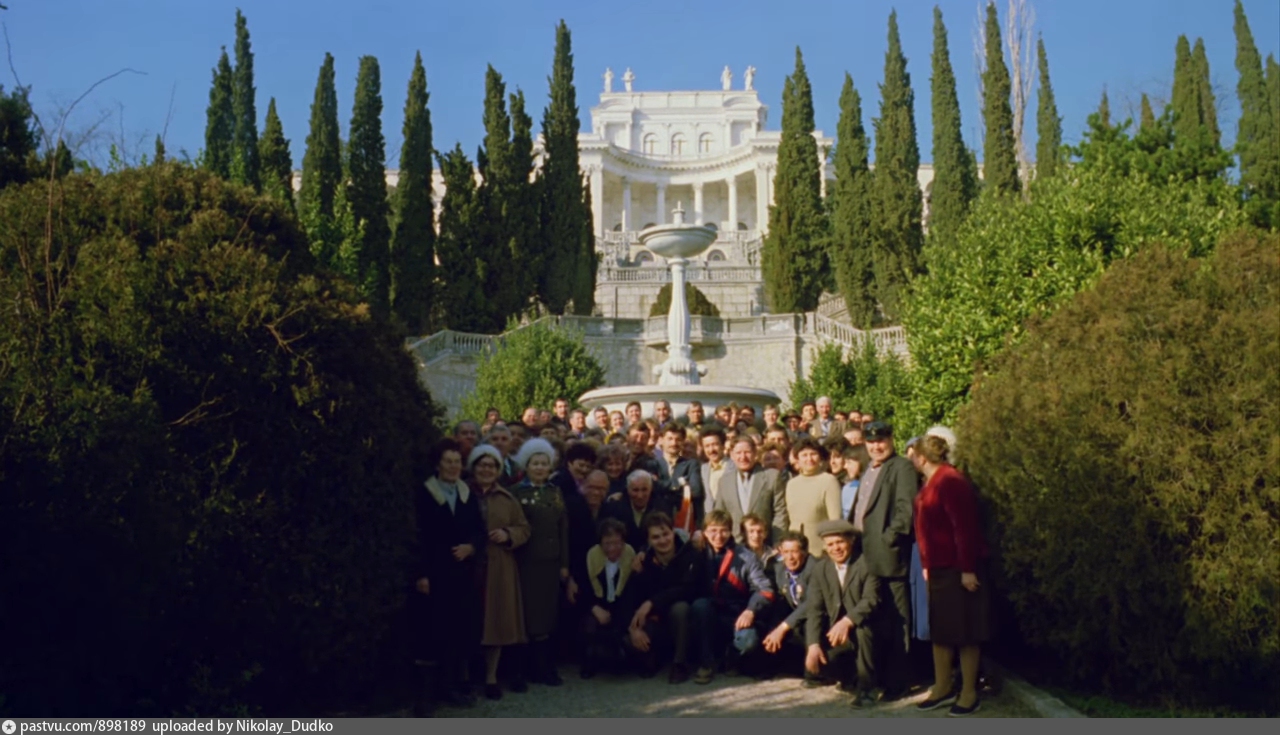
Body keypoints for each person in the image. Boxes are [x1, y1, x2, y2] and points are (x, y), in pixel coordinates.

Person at [912, 435, 991, 717]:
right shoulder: (931, 483)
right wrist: (925, 563)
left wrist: (967, 569)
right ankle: (943, 685)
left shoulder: (951, 481)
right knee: (942, 630)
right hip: (939, 568)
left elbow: (964, 527)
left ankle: (969, 692)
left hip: (958, 568)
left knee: (967, 630)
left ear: (921, 457)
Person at [412, 439, 487, 713]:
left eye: (457, 461)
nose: (454, 466)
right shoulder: (425, 493)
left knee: (457, 632)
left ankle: (450, 687)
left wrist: (472, 547)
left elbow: (480, 531)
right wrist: (421, 573)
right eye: (448, 461)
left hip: (462, 575)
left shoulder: (467, 494)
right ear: (437, 464)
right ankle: (425, 696)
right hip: (434, 574)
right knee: (431, 632)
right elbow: (417, 536)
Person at [850, 421, 918, 701]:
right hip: (865, 555)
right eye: (871, 442)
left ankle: (898, 682)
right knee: (875, 620)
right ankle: (873, 678)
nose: (876, 446)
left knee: (897, 620)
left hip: (890, 556)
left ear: (891, 439)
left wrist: (889, 538)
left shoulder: (901, 467)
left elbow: (906, 509)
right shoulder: (869, 468)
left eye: (882, 441)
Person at [468, 445, 531, 700]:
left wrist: (508, 535)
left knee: (495, 621)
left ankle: (491, 677)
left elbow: (524, 528)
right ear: (474, 467)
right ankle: (462, 676)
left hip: (498, 565)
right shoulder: (462, 493)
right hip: (467, 564)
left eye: (492, 466)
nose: (487, 469)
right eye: (482, 465)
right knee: (467, 620)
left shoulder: (507, 497)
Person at [510, 438, 573, 687]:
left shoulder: (555, 492)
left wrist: (564, 563)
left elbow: (563, 528)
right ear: (527, 465)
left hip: (551, 563)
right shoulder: (516, 493)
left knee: (547, 616)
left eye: (543, 463)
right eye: (535, 463)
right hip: (526, 563)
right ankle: (523, 669)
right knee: (525, 615)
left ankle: (545, 667)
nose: (539, 467)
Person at [689, 510, 776, 683]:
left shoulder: (746, 556)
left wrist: (751, 610)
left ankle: (732, 657)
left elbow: (765, 589)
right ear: (704, 532)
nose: (718, 536)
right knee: (700, 606)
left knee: (748, 641)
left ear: (731, 532)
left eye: (724, 530)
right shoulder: (696, 552)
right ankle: (706, 663)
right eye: (713, 530)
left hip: (737, 614)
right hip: (708, 614)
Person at [805, 520, 880, 708]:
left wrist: (847, 621)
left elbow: (871, 600)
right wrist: (813, 645)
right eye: (830, 544)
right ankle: (849, 677)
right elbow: (814, 609)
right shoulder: (820, 569)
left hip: (870, 630)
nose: (835, 548)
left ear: (851, 541)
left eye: (840, 542)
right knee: (816, 663)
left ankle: (866, 689)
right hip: (838, 634)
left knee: (863, 630)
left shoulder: (867, 564)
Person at [625, 512, 706, 683]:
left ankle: (679, 664)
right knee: (630, 640)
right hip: (656, 620)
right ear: (648, 541)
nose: (663, 540)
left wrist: (651, 602)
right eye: (656, 537)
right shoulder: (643, 562)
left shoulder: (691, 554)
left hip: (687, 621)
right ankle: (654, 656)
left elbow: (687, 589)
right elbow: (631, 597)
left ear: (673, 532)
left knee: (680, 608)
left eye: (666, 534)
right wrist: (633, 629)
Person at [581, 518, 637, 679]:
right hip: (598, 605)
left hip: (622, 606)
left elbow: (632, 592)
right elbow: (583, 590)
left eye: (617, 543)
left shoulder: (630, 555)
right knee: (590, 623)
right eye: (607, 543)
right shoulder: (592, 556)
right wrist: (594, 608)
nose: (613, 548)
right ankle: (589, 660)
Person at [761, 530, 818, 682]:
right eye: (785, 552)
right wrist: (775, 628)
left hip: (816, 620)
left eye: (794, 552)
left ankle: (814, 673)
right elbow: (781, 601)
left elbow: (811, 604)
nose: (790, 558)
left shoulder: (815, 568)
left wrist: (782, 627)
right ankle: (770, 665)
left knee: (807, 626)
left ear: (804, 552)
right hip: (794, 617)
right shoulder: (779, 569)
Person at [714, 437, 788, 546]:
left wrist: (778, 543)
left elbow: (780, 513)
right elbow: (720, 514)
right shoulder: (724, 481)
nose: (743, 457)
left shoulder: (771, 476)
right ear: (732, 455)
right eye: (738, 453)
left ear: (755, 453)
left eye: (747, 452)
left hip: (765, 543)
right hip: (735, 545)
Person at [784, 437, 844, 558]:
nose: (809, 459)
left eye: (813, 454)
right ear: (797, 459)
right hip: (795, 552)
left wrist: (828, 546)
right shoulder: (791, 484)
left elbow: (835, 519)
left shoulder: (828, 481)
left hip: (819, 550)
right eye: (804, 455)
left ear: (820, 457)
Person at [604, 469, 671, 551]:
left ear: (651, 489)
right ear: (628, 489)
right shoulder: (614, 507)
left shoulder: (661, 508)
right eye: (635, 490)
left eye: (644, 489)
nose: (640, 495)